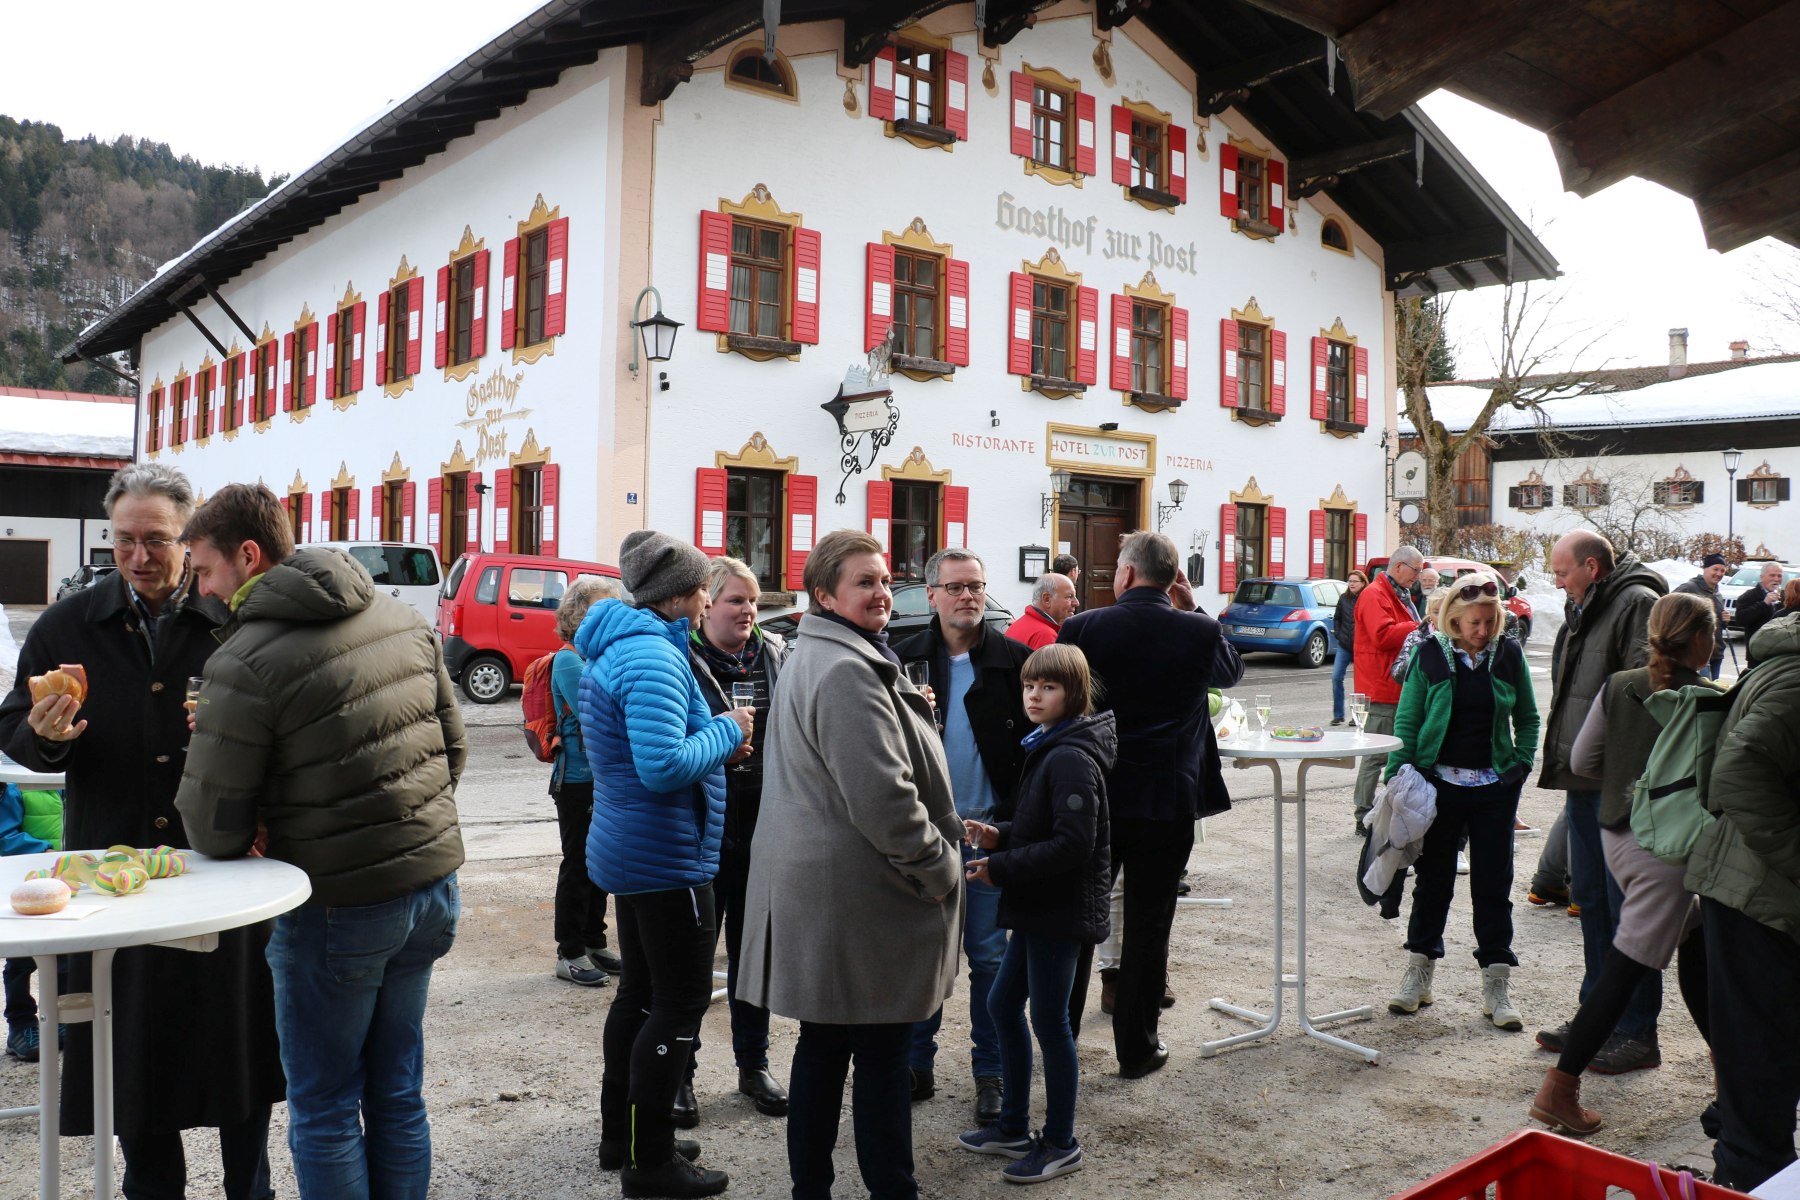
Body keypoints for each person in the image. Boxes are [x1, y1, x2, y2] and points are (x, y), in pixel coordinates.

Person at [0, 463, 285, 1200]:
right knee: (131, 1049)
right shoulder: (67, 625)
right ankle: (151, 1187)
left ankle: (250, 1187)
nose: (138, 556)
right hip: (113, 872)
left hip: (221, 862)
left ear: (188, 538)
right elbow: (16, 730)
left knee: (238, 1041)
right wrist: (44, 737)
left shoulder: (232, 616)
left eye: (156, 539)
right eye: (123, 539)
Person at [175, 482, 466, 1200]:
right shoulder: (399, 616)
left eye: (204, 569)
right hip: (431, 888)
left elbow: (212, 826)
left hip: (335, 904)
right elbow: (451, 752)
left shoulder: (245, 658)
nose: (200, 587)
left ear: (249, 556)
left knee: (326, 1104)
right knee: (397, 1090)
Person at [738, 529, 962, 1200]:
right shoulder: (845, 670)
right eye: (864, 582)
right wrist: (940, 868)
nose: (882, 593)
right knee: (882, 1059)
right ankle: (892, 1190)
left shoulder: (823, 652)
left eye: (885, 580)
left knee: (825, 1048)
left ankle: (813, 1189)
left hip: (839, 894)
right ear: (824, 595)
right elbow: (884, 801)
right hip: (863, 898)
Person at [573, 530, 750, 1198]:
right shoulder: (651, 656)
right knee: (676, 1006)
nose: (708, 599)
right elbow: (663, 766)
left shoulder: (626, 646)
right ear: (681, 594)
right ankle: (650, 1162)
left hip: (636, 846)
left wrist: (714, 738)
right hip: (666, 855)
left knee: (640, 995)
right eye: (704, 588)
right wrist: (730, 729)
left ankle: (623, 1137)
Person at [1529, 592, 1718, 1135]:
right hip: (1669, 848)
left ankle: (1728, 1064)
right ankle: (1559, 1088)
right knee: (1627, 966)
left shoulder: (1620, 685)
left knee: (1694, 938)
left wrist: (1628, 780)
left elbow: (1583, 760)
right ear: (1701, 639)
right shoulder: (1712, 701)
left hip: (1619, 833)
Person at [1056, 531, 1243, 1077]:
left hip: (1096, 794)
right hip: (1168, 796)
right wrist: (1194, 607)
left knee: (1079, 917)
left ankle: (1059, 1033)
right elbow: (1230, 674)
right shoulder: (1200, 630)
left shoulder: (1083, 627)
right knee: (1149, 923)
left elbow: (1058, 704)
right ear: (1171, 579)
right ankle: (1137, 1048)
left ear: (1128, 573)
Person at [959, 644, 1113, 1184]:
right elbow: (1040, 827)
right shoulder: (1048, 744)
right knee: (1003, 1005)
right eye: (1029, 686)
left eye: (1048, 687)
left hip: (1058, 911)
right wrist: (999, 835)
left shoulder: (1070, 756)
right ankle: (1013, 1126)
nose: (1034, 696)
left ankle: (1061, 1142)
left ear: (1074, 693)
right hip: (1036, 906)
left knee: (1050, 1024)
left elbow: (1073, 844)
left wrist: (1000, 867)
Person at [897, 548, 1031, 1124]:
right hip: (925, 835)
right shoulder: (902, 660)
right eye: (954, 587)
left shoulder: (1016, 661)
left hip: (989, 834)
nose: (967, 596)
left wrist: (1016, 827)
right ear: (931, 595)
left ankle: (991, 1073)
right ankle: (915, 1063)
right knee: (924, 956)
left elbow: (1037, 752)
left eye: (975, 586)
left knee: (991, 959)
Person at [1534, 531, 1669, 1073]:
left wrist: (1612, 766)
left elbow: (1643, 692)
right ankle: (1597, 1016)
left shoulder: (1636, 601)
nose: (1556, 582)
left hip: (1618, 784)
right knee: (1590, 899)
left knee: (1625, 910)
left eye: (1562, 571)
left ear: (1591, 567)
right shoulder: (1586, 603)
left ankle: (1636, 1031)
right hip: (1585, 780)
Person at [1384, 573, 1539, 1028]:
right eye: (1475, 623)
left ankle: (1497, 986)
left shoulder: (1508, 654)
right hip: (1440, 788)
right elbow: (1407, 721)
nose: (1483, 631)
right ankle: (1418, 976)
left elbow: (1528, 717)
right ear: (1454, 618)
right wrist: (1397, 778)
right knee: (1433, 883)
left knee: (1493, 886)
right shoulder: (1430, 655)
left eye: (1491, 622)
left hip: (1494, 790)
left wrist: (1520, 765)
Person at [1685, 608, 1800, 1191]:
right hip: (1759, 900)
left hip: (1760, 896)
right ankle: (1748, 1173)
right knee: (1760, 1069)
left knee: (1759, 1060)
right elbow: (1738, 771)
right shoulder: (1796, 678)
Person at [685, 556, 789, 1120]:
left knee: (755, 952)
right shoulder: (683, 659)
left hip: (763, 822)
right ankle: (682, 1074)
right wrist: (717, 751)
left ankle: (754, 1066)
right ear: (707, 605)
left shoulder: (775, 655)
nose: (748, 610)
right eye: (735, 600)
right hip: (703, 823)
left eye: (752, 600)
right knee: (695, 956)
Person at [550, 578, 623, 986]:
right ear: (578, 614)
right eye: (600, 608)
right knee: (578, 864)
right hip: (577, 779)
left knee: (601, 864)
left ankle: (594, 941)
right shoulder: (568, 660)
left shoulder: (597, 656)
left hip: (603, 777)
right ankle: (570, 951)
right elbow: (601, 712)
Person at [1351, 547, 1424, 826]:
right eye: (1415, 570)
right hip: (1381, 687)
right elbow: (1381, 636)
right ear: (1399, 566)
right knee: (1376, 755)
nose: (1417, 577)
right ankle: (1363, 815)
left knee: (1395, 752)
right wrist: (1418, 627)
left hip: (1393, 685)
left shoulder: (1396, 593)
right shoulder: (1374, 594)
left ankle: (1382, 812)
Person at [2, 781, 59, 1062]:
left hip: (67, 886)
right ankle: (21, 1023)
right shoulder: (17, 787)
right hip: (25, 888)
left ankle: (60, 1018)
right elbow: (4, 836)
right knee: (21, 960)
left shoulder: (74, 785)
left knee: (67, 956)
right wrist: (43, 850)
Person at [1674, 553, 1728, 678]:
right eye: (1715, 569)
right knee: (1701, 688)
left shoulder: (1718, 594)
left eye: (1722, 571)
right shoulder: (1689, 588)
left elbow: (1715, 623)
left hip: (1716, 653)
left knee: (1714, 688)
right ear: (1705, 569)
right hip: (1696, 653)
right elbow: (1667, 608)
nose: (1719, 573)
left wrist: (1724, 621)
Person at [1733, 561, 1786, 668]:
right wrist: (1764, 603)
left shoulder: (1784, 597)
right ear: (1762, 577)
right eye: (1772, 575)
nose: (1776, 579)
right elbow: (1741, 620)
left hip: (1779, 654)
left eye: (1779, 576)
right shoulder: (1749, 596)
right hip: (1757, 653)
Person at [1006, 572, 1078, 650]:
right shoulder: (1046, 635)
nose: (1076, 603)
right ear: (1047, 599)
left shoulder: (1017, 625)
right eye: (1069, 597)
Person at [1330, 570, 1366, 725]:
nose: (1351, 584)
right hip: (1344, 644)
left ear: (1363, 583)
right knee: (1336, 677)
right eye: (1350, 581)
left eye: (1355, 581)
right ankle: (1338, 715)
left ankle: (1357, 715)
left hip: (1362, 646)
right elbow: (1337, 618)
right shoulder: (1343, 598)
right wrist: (1339, 634)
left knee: (1360, 681)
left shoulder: (1368, 598)